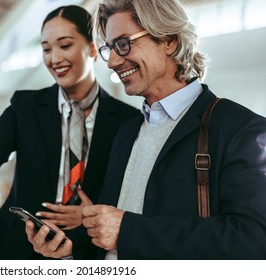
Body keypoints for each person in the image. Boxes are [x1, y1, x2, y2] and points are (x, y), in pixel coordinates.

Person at [25, 0, 266, 259]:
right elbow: (111, 236)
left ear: (169, 40)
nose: (112, 61)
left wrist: (128, 229)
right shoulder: (127, 133)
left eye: (123, 44)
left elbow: (254, 238)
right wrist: (68, 251)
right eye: (109, 48)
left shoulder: (240, 130)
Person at [0, 4, 139, 260]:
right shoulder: (26, 106)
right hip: (16, 245)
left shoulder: (128, 120)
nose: (54, 58)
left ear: (92, 48)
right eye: (46, 48)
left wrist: (93, 215)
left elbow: (130, 193)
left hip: (83, 251)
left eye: (65, 45)